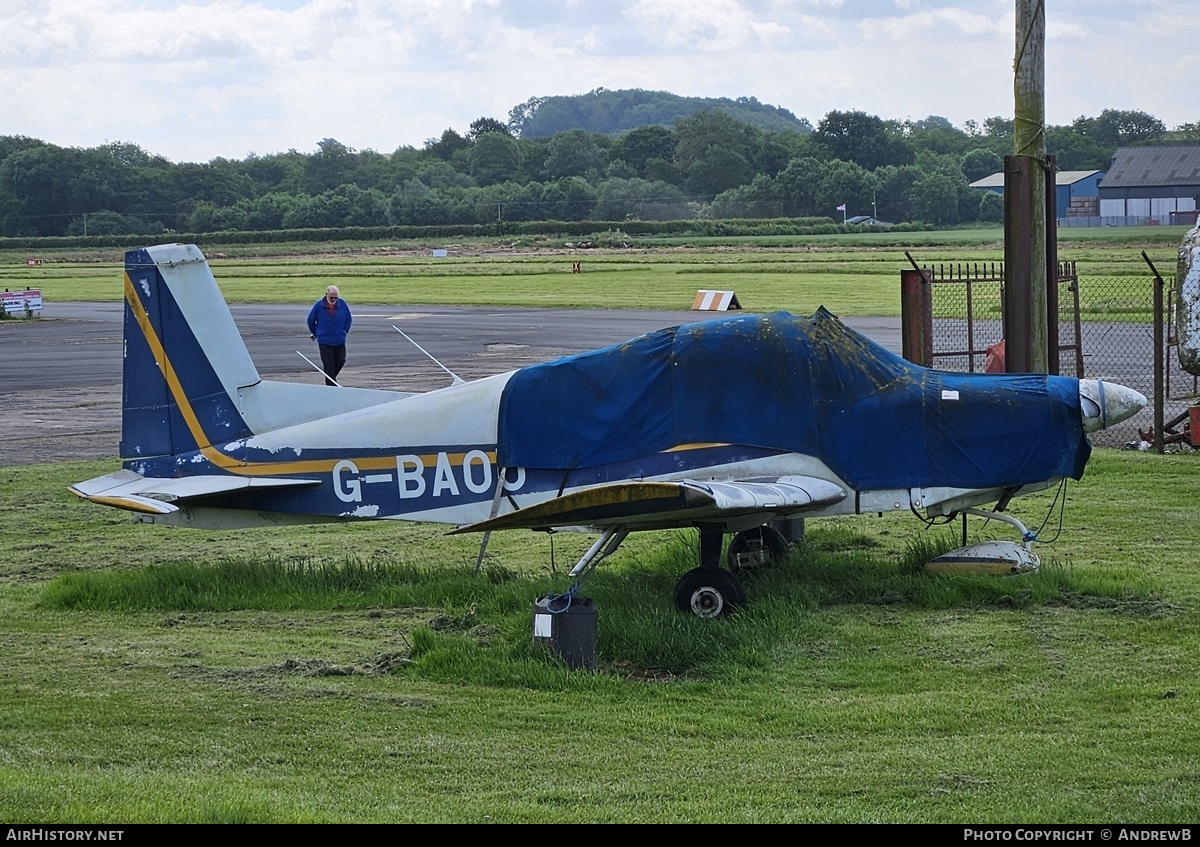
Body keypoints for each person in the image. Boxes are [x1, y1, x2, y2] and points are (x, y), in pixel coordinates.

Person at [307, 285, 352, 385]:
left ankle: (331, 380)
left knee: (341, 361)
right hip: (325, 341)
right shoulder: (319, 306)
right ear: (326, 294)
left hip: (339, 339)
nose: (334, 299)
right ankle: (331, 386)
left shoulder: (342, 304)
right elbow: (310, 320)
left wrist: (344, 330)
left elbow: (348, 318)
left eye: (336, 297)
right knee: (329, 365)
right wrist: (315, 332)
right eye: (332, 297)